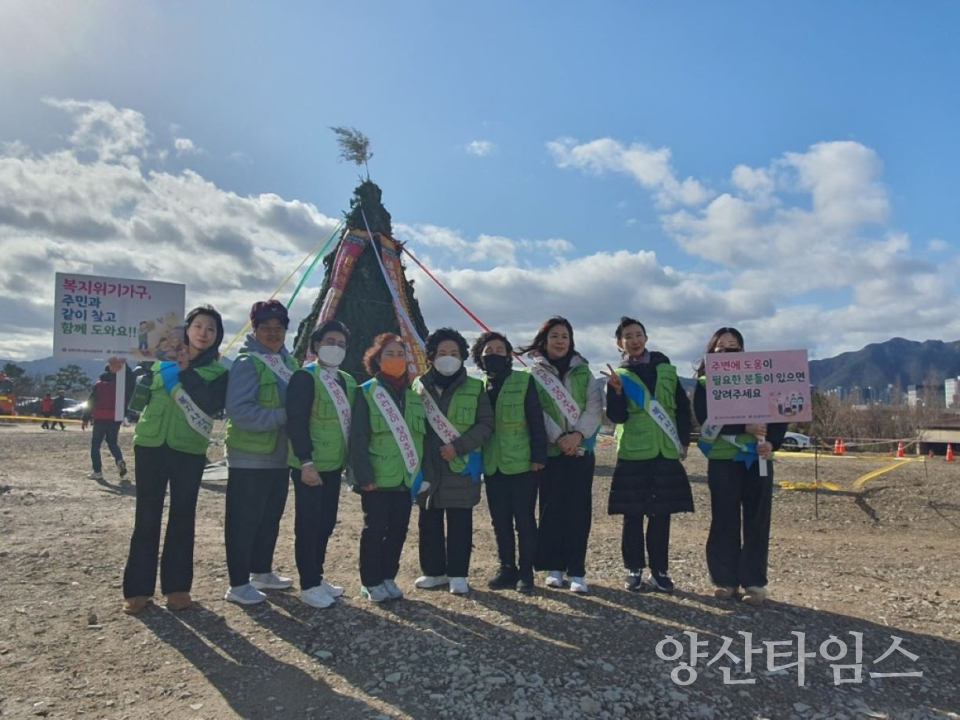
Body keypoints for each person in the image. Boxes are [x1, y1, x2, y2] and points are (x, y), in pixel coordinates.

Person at [121, 305, 228, 614]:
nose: (204, 333)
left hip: (189, 449)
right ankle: (138, 590)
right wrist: (119, 372)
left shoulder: (220, 372)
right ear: (187, 329)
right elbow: (137, 398)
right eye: (198, 326)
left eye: (211, 329)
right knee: (146, 516)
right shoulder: (157, 362)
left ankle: (177, 588)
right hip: (151, 444)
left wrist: (185, 373)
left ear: (217, 336)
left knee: (182, 517)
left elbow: (210, 405)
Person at [693, 327, 787, 606]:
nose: (728, 352)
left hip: (758, 457)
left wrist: (773, 442)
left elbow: (781, 411)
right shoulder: (703, 384)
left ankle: (754, 582)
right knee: (724, 518)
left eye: (734, 347)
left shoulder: (763, 377)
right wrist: (742, 426)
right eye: (722, 347)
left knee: (757, 519)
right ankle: (724, 579)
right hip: (723, 458)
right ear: (711, 353)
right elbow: (705, 419)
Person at [601, 317, 693, 594]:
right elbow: (616, 417)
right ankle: (633, 569)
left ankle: (660, 571)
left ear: (646, 338)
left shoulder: (666, 369)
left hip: (665, 448)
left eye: (639, 334)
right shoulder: (620, 376)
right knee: (632, 513)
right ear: (620, 343)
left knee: (661, 513)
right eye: (628, 336)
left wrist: (684, 441)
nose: (635, 340)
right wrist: (616, 392)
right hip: (633, 450)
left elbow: (681, 406)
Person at [222, 300, 299, 606]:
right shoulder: (246, 362)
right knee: (244, 520)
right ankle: (238, 583)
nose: (272, 333)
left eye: (278, 328)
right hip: (250, 456)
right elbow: (240, 411)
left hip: (280, 456)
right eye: (265, 327)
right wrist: (284, 415)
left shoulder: (288, 363)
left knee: (270, 517)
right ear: (254, 329)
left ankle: (261, 571)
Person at [520, 317, 602, 594]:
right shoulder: (534, 374)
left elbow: (594, 406)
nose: (559, 341)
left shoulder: (584, 372)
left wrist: (577, 436)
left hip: (580, 451)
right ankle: (554, 567)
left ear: (571, 340)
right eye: (554, 336)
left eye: (564, 336)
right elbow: (536, 411)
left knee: (579, 511)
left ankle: (577, 569)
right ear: (544, 340)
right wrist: (559, 437)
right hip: (552, 452)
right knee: (551, 509)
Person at [413, 328, 494, 596]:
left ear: (462, 357)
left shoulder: (475, 387)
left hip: (461, 465)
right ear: (431, 356)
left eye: (454, 353)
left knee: (460, 522)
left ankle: (458, 574)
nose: (448, 358)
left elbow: (486, 424)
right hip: (429, 466)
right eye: (442, 353)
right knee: (429, 521)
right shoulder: (419, 386)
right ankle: (433, 572)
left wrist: (458, 446)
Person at [348, 333, 425, 603]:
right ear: (377, 359)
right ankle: (370, 581)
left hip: (406, 476)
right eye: (389, 354)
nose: (396, 359)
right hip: (378, 477)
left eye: (400, 354)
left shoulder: (413, 395)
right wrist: (363, 475)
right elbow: (357, 438)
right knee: (375, 529)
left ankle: (388, 576)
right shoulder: (366, 391)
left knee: (398, 529)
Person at [286, 320, 356, 609]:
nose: (335, 348)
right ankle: (308, 584)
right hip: (310, 465)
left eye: (340, 344)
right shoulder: (304, 377)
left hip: (333, 465)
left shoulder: (348, 381)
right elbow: (297, 421)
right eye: (329, 342)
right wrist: (306, 462)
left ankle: (318, 574)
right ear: (316, 346)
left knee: (326, 523)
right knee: (308, 524)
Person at [471, 331, 547, 594]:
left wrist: (538, 457)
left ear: (508, 355)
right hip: (493, 464)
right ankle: (506, 568)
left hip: (522, 463)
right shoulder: (478, 386)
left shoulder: (524, 381)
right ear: (480, 357)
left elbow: (536, 421)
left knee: (524, 520)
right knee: (499, 520)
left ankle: (526, 573)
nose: (494, 355)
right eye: (488, 351)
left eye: (499, 350)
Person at [83, 362, 133, 483]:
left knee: (96, 445)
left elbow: (91, 402)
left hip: (100, 417)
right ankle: (119, 460)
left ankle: (97, 471)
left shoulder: (98, 385)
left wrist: (85, 417)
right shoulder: (120, 385)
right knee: (112, 443)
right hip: (114, 418)